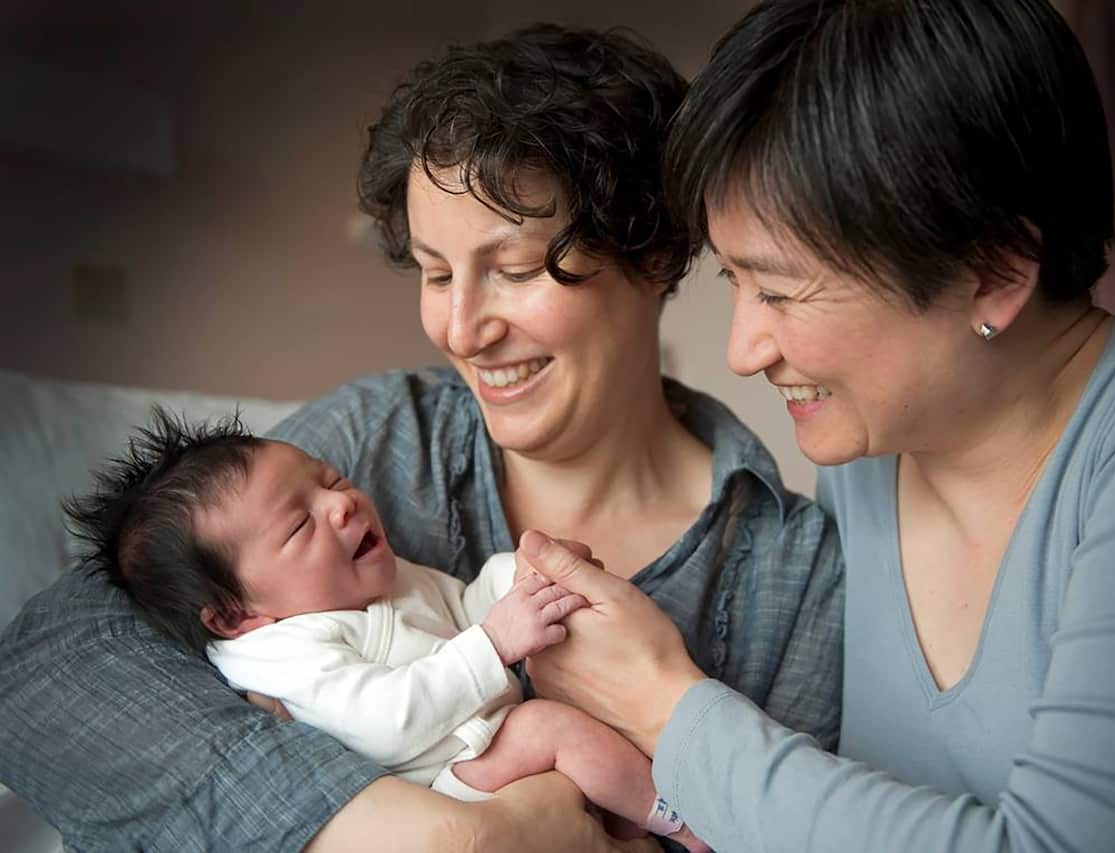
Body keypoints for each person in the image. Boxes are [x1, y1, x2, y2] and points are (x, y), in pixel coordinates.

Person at [0, 23, 844, 852]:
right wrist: (424, 834)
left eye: (513, 270)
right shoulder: (382, 431)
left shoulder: (788, 566)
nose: (461, 329)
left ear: (655, 255)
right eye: (437, 274)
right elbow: (47, 667)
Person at [515, 1, 1115, 851]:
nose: (743, 349)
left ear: (994, 269)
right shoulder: (870, 457)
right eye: (733, 281)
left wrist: (665, 702)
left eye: (781, 289)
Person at [61, 410, 709, 850]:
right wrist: (495, 641)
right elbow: (384, 720)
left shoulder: (374, 577)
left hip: (477, 748)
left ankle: (637, 818)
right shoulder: (281, 651)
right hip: (436, 788)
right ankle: (685, 822)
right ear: (235, 614)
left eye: (329, 479)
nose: (341, 503)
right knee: (548, 728)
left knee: (571, 705)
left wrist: (523, 576)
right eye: (299, 525)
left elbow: (463, 606)